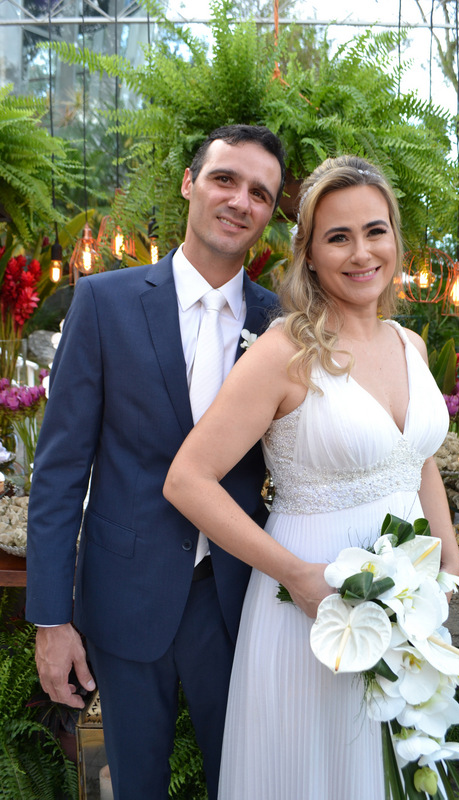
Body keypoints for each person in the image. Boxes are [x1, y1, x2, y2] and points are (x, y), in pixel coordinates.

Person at [163, 154, 459, 799]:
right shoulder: (284, 351)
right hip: (312, 612)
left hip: (409, 608)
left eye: (375, 230)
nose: (362, 253)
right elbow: (187, 479)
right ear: (309, 252)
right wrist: (295, 576)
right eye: (338, 237)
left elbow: (418, 459)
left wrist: (446, 562)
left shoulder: (408, 344)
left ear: (396, 238)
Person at [25, 124, 285, 800]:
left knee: (247, 782)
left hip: (237, 604)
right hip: (121, 595)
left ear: (270, 214)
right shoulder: (103, 303)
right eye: (225, 179)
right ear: (189, 183)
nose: (239, 200)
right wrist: (51, 620)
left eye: (260, 192)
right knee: (133, 787)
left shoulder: (283, 325)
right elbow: (58, 472)